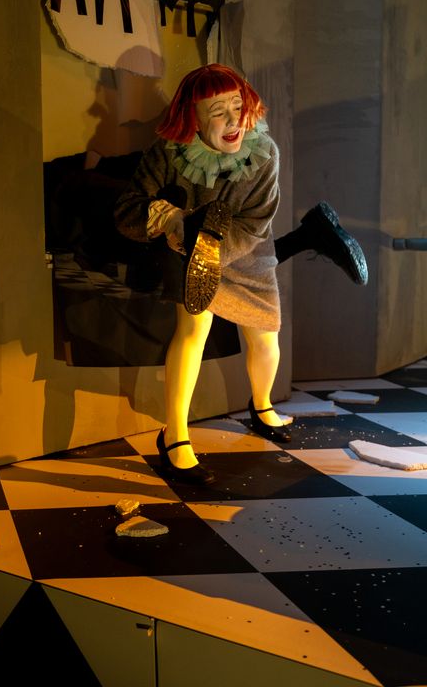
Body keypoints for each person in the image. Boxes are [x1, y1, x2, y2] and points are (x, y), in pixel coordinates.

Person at [113, 63, 366, 486]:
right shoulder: (168, 153)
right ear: (193, 117)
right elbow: (128, 209)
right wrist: (170, 220)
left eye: (237, 106)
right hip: (188, 250)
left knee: (266, 338)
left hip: (245, 251)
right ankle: (174, 435)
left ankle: (262, 406)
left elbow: (255, 223)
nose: (233, 119)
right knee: (193, 332)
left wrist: (214, 251)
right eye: (218, 111)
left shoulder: (263, 153)